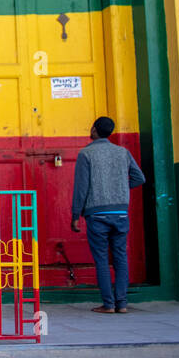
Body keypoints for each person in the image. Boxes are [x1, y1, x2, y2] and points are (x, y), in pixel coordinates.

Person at [71, 116, 145, 314]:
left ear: (94, 130)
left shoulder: (86, 154)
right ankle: (122, 303)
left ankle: (108, 304)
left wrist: (75, 215)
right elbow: (139, 178)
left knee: (102, 259)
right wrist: (120, 189)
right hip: (120, 212)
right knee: (121, 257)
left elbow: (81, 188)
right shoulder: (123, 152)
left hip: (97, 214)